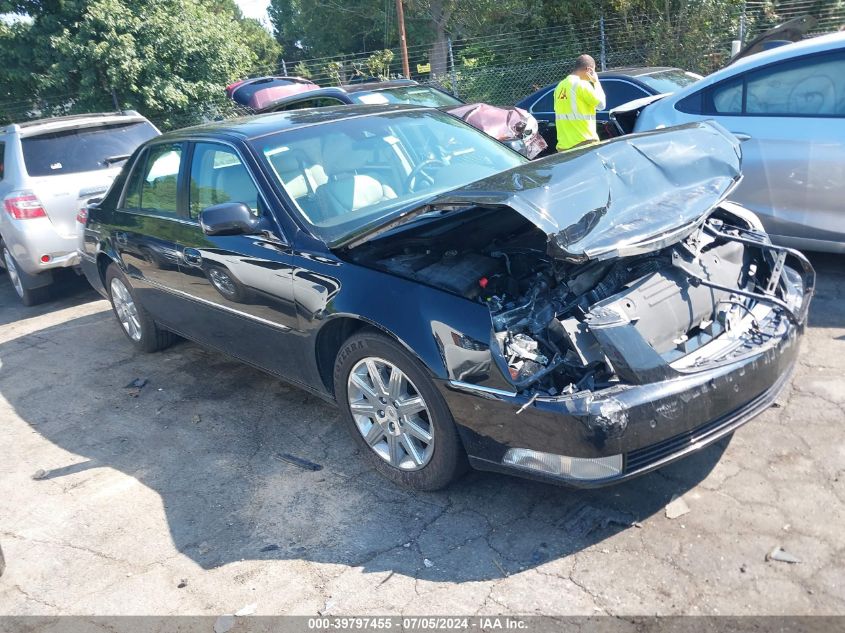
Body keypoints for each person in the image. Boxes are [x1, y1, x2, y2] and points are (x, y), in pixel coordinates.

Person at [553, 54, 606, 151]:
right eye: (593, 71)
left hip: (564, 146)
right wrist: (596, 82)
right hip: (584, 142)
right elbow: (601, 105)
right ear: (589, 70)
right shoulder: (581, 84)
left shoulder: (560, 86)